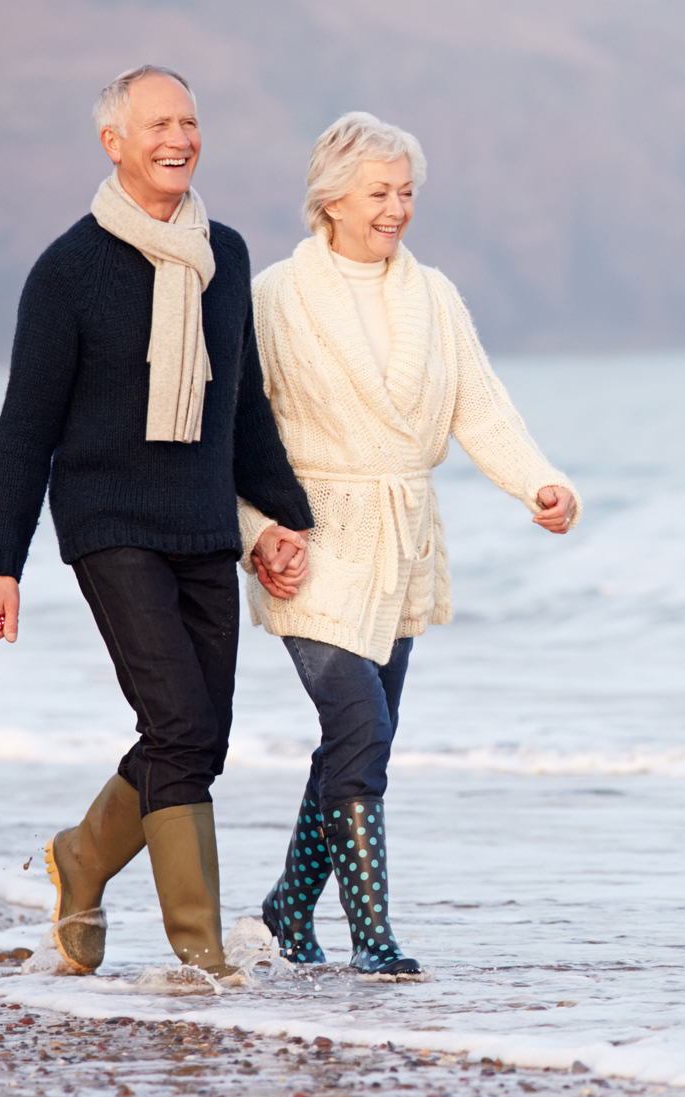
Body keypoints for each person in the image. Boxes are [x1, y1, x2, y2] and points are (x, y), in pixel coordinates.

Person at [0, 65, 317, 980]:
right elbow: (26, 426)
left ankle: (80, 859)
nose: (180, 137)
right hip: (109, 522)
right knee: (176, 718)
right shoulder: (69, 271)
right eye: (159, 122)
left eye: (191, 122)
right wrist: (0, 564)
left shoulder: (227, 255)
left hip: (202, 522)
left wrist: (288, 521)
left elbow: (242, 410)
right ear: (113, 142)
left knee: (198, 735)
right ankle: (201, 953)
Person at [246, 111, 580, 979]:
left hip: (402, 540)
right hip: (310, 540)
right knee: (359, 724)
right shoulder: (277, 295)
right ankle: (373, 938)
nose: (396, 209)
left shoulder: (432, 293)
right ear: (332, 198)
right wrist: (256, 533)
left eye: (406, 193)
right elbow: (241, 430)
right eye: (379, 192)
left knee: (362, 738)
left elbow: (479, 402)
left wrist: (539, 483)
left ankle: (287, 909)